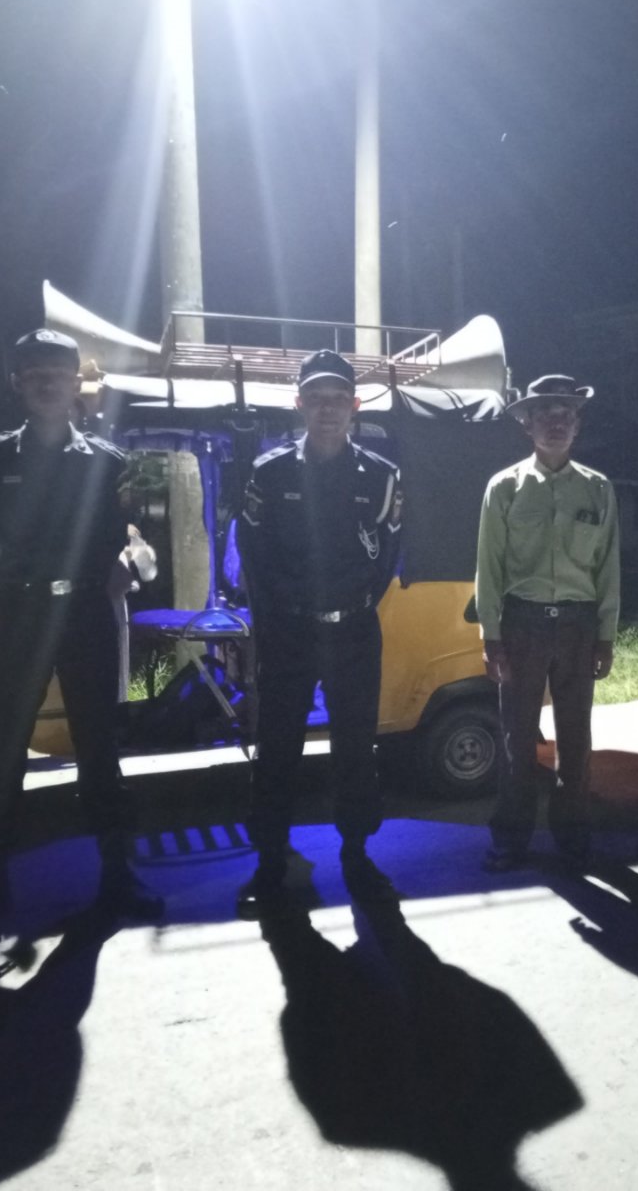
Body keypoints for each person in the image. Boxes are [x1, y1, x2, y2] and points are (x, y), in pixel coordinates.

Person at [0, 328, 162, 922]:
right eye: (35, 375)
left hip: (84, 613)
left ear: (77, 384)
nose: (47, 384)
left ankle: (118, 878)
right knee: (5, 751)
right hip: (19, 615)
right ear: (17, 384)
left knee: (99, 748)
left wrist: (121, 565)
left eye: (58, 374)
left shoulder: (108, 462)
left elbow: (126, 532)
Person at [235, 349, 403, 917]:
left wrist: (351, 606)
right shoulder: (270, 472)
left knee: (356, 747)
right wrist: (277, 621)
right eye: (316, 398)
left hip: (353, 632)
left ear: (354, 406)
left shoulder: (381, 476)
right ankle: (269, 862)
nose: (327, 409)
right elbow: (253, 557)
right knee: (277, 746)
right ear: (299, 403)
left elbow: (387, 557)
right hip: (288, 633)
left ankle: (357, 856)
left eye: (338, 399)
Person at [476, 374, 620, 872]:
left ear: (577, 424)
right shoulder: (505, 487)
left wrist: (606, 635)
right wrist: (491, 636)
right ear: (527, 424)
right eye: (545, 414)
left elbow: (609, 568)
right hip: (522, 624)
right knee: (516, 739)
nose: (556, 423)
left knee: (576, 740)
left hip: (579, 627)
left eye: (566, 414)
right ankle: (510, 839)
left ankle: (573, 837)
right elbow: (488, 568)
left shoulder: (598, 489)